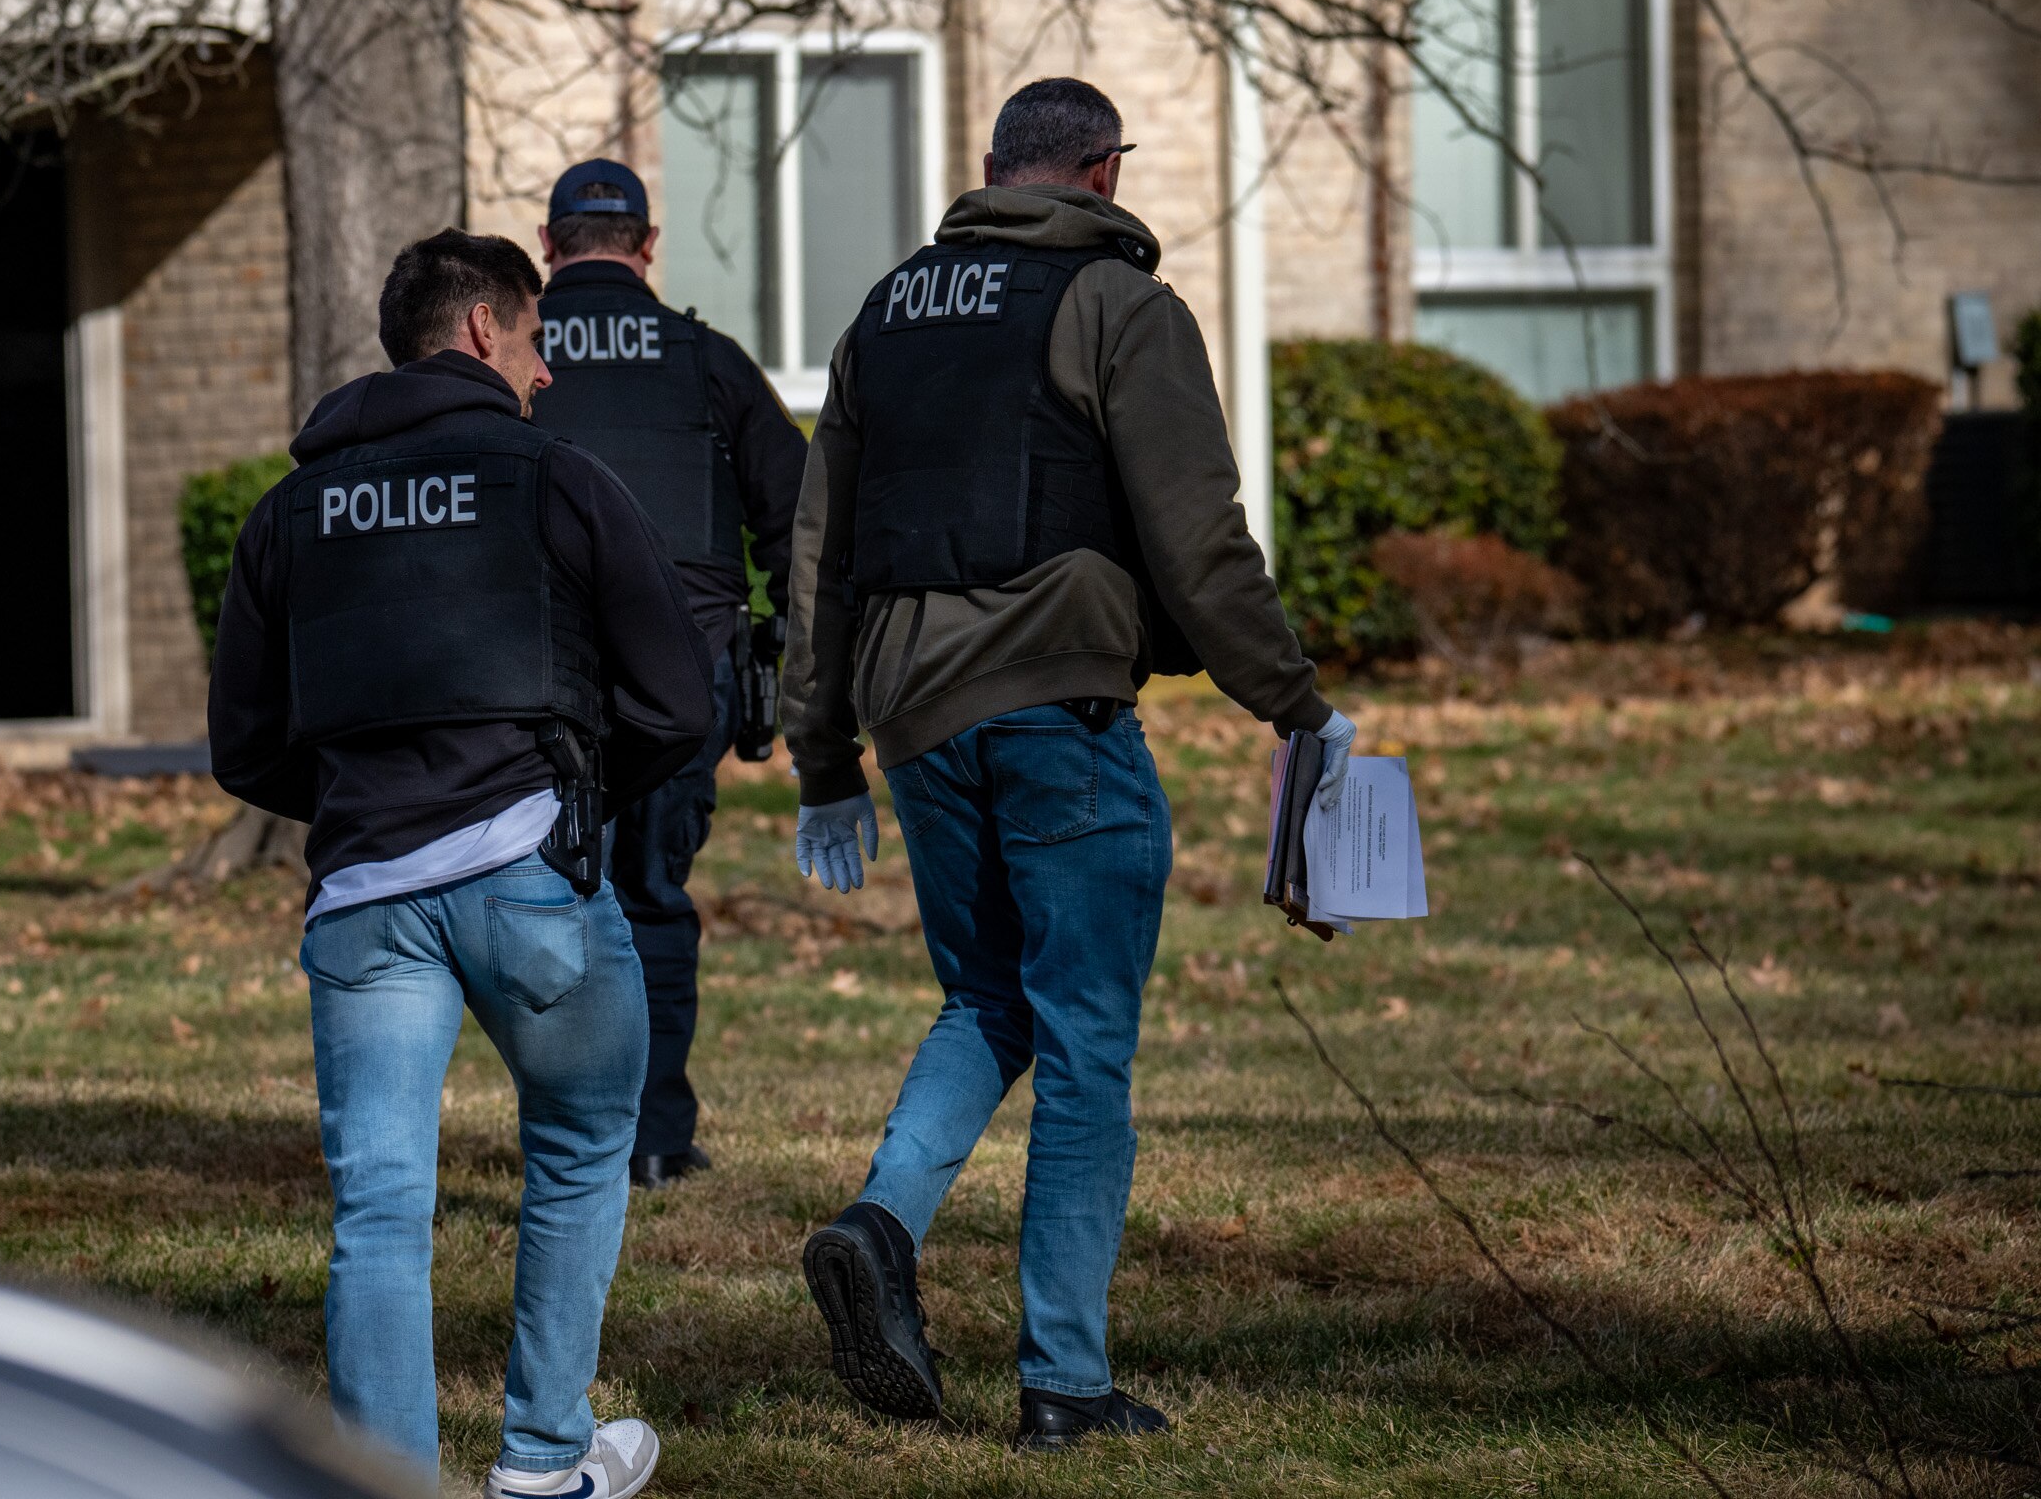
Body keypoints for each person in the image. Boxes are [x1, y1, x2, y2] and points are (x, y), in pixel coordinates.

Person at [778, 79, 1356, 1450]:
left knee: (989, 997)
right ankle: (1066, 1381)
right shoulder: (1120, 309)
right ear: (1101, 173)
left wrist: (820, 752)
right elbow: (1199, 537)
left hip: (914, 717)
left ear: (993, 174)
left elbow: (820, 551)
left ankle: (880, 1224)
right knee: (1087, 1040)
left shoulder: (886, 316)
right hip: (1060, 714)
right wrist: (1297, 705)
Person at [209, 229, 713, 1499]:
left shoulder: (290, 509)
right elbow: (676, 700)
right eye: (537, 340)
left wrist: (361, 802)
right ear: (485, 331)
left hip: (365, 899)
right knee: (587, 1136)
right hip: (528, 876)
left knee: (379, 1210)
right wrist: (579, 806)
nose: (547, 371)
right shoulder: (558, 477)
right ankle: (545, 1457)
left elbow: (244, 743)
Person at [525, 160, 807, 1189]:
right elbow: (798, 520)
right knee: (652, 895)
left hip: (547, 682)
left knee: (552, 903)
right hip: (685, 674)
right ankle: (654, 1138)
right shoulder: (705, 357)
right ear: (648, 246)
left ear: (550, 245)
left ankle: (568, 1141)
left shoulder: (516, 355)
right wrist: (782, 644)